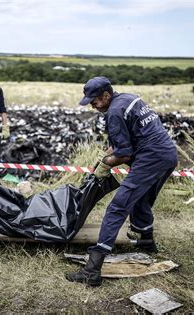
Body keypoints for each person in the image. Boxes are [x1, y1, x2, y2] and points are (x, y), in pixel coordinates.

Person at [66, 77, 178, 286]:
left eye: (94, 101)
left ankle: (92, 271)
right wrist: (106, 156)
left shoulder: (115, 113)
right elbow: (120, 145)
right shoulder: (128, 99)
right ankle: (146, 242)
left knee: (117, 207)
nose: (93, 105)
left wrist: (105, 165)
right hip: (167, 155)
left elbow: (124, 155)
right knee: (141, 199)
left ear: (106, 95)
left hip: (150, 158)